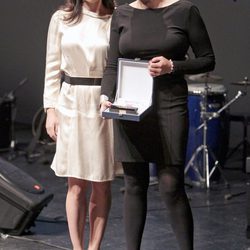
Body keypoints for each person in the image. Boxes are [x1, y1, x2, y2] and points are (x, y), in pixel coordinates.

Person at [100, 0, 215, 249]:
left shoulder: (184, 11)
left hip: (169, 103)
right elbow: (112, 63)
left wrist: (173, 66)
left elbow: (207, 59)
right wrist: (105, 97)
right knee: (133, 183)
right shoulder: (122, 13)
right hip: (129, 103)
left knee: (171, 185)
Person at [43, 0, 115, 249]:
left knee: (101, 180)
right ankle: (77, 247)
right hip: (71, 100)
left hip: (102, 102)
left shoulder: (116, 18)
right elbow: (52, 67)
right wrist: (51, 109)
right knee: (75, 183)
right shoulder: (62, 18)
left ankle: (94, 247)